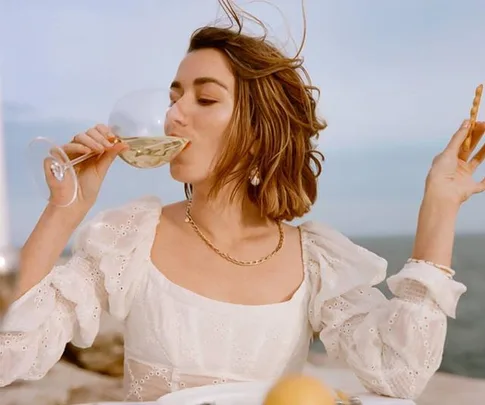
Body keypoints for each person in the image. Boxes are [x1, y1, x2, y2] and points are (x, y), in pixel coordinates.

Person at [1, 0, 484, 401]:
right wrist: (66, 208)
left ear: (257, 133)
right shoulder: (131, 236)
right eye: (174, 97)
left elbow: (399, 374)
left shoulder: (316, 260)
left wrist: (440, 204)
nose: (173, 116)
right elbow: (17, 353)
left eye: (204, 99)